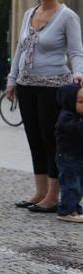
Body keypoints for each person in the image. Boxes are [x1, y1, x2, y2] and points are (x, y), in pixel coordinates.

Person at [7, 0, 83, 213]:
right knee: (34, 140)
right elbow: (19, 49)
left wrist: (79, 73)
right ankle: (39, 191)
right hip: (26, 85)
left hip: (53, 85)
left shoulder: (67, 16)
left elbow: (75, 51)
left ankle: (52, 195)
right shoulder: (29, 13)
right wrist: (11, 79)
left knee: (51, 141)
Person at [55, 84, 83, 222]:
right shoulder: (66, 117)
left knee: (78, 186)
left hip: (78, 157)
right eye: (81, 102)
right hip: (68, 158)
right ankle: (66, 210)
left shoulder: (77, 116)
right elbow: (77, 130)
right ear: (69, 102)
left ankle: (74, 207)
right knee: (71, 185)